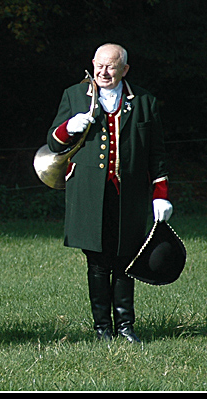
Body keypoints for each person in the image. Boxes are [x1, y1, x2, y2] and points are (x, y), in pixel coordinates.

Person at [46, 43, 172, 343]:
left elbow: (157, 154)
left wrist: (161, 194)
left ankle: (126, 326)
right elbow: (53, 143)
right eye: (99, 65)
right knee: (98, 262)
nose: (103, 72)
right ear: (92, 64)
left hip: (129, 195)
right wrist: (69, 127)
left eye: (111, 66)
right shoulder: (74, 96)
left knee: (126, 260)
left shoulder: (144, 101)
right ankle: (102, 328)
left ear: (124, 70)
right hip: (89, 194)